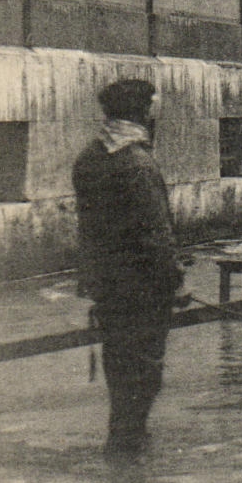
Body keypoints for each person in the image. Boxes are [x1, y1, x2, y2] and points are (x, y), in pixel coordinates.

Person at [72, 78, 185, 457]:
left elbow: (89, 230)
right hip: (143, 287)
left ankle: (123, 440)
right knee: (146, 369)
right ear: (144, 113)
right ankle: (129, 447)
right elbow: (155, 234)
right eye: (154, 107)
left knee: (119, 363)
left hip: (107, 286)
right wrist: (176, 281)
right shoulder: (137, 163)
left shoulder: (89, 158)